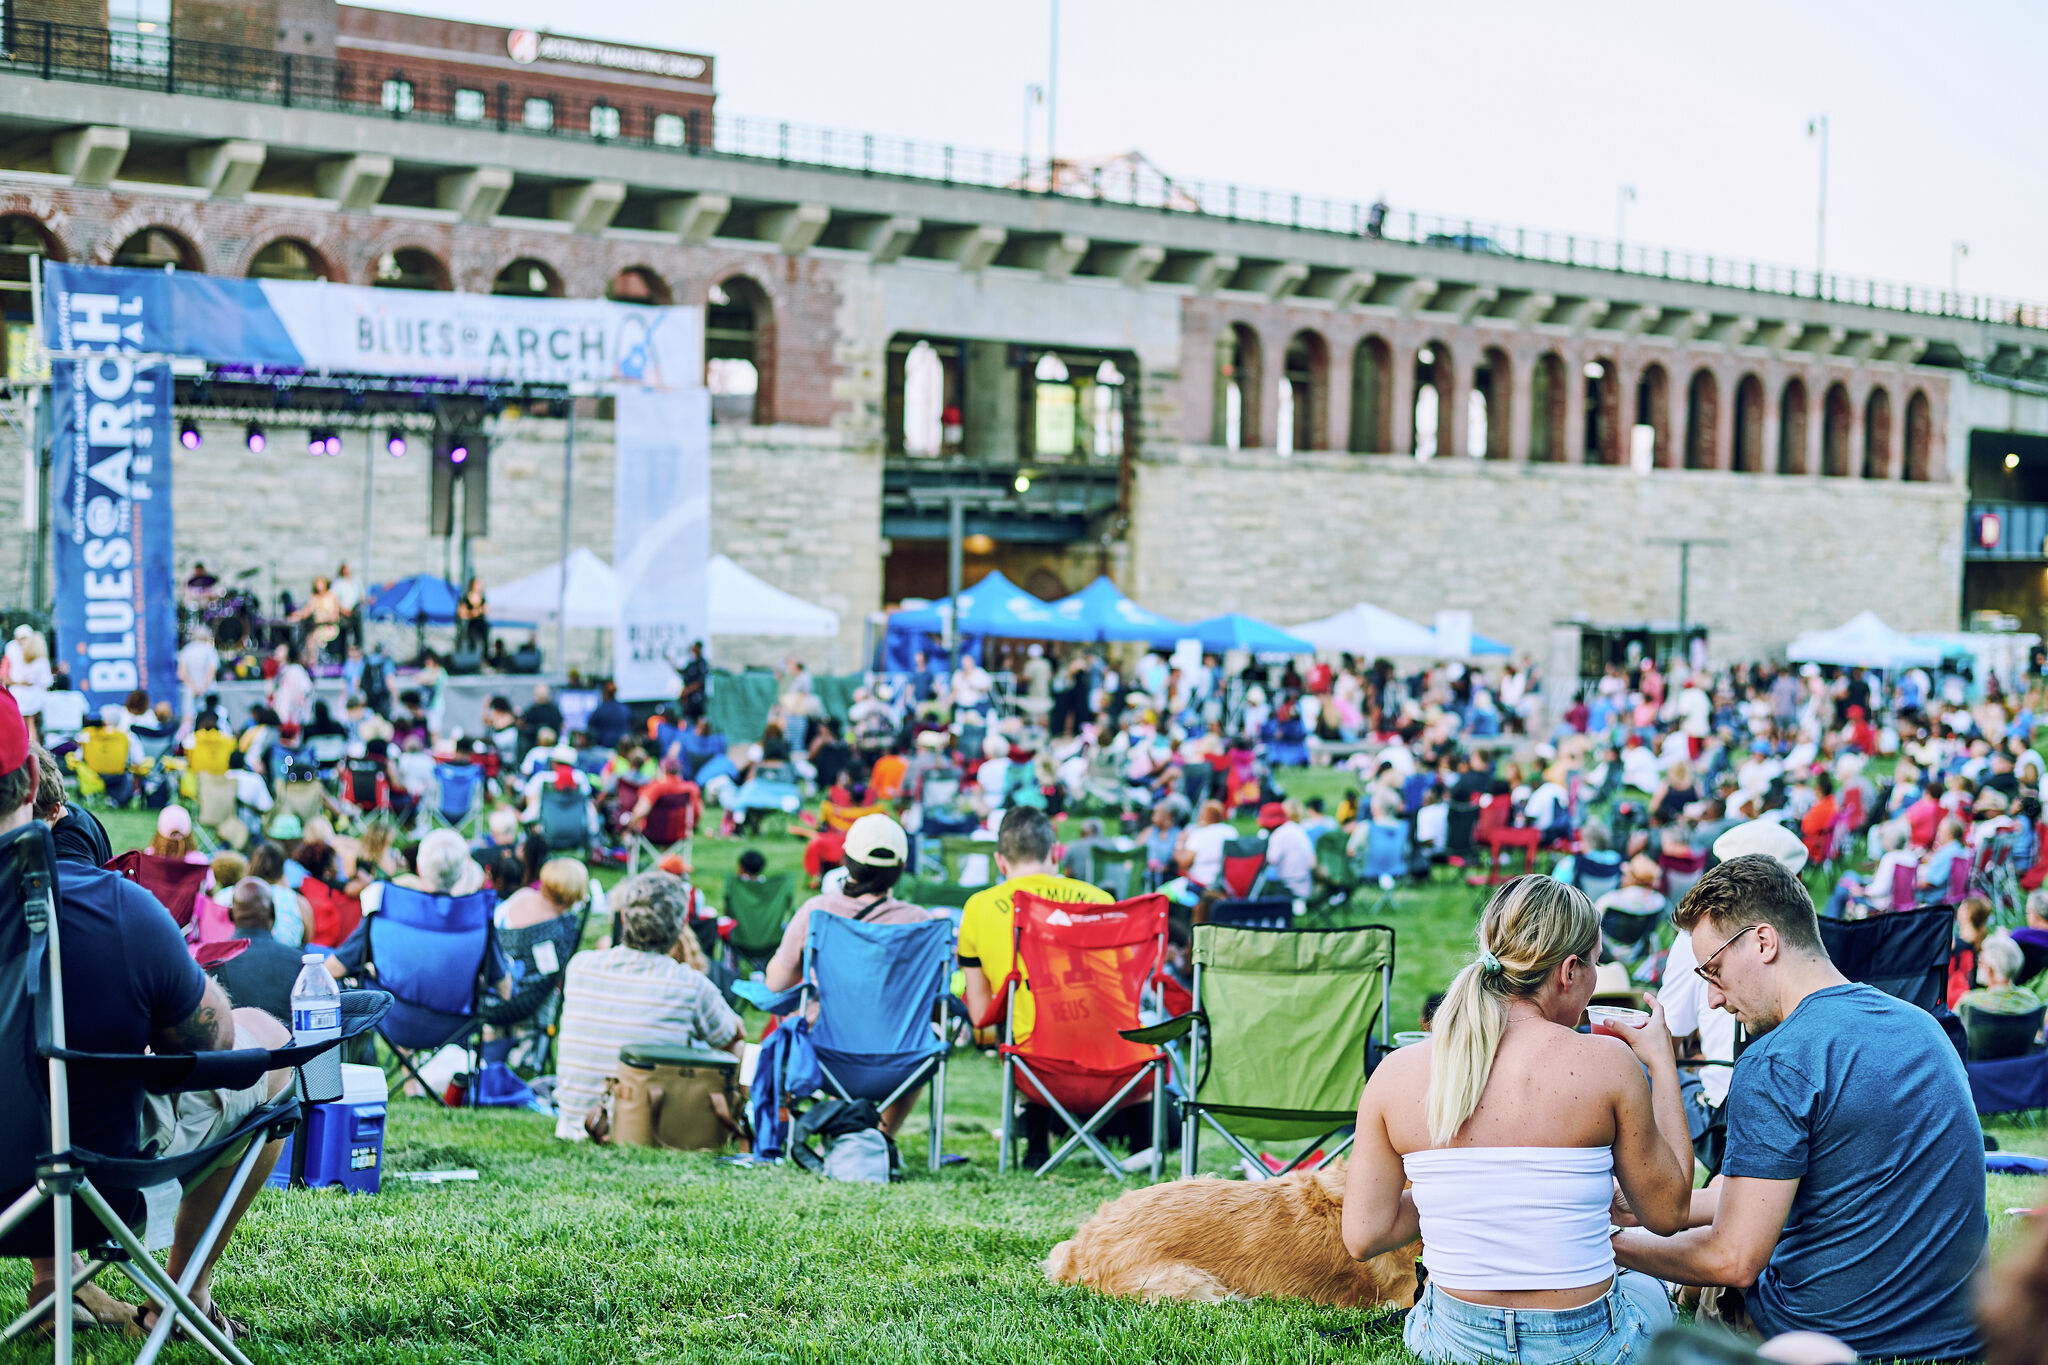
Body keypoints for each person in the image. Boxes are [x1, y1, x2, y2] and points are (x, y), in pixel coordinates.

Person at [0, 688, 294, 1338]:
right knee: (268, 1048)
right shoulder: (119, 908)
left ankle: (58, 1287)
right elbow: (215, 1045)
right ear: (31, 779)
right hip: (91, 1182)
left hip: (11, 1185)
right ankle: (181, 1296)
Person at [1612, 855, 1987, 1361]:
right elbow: (1763, 1196)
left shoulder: (1776, 1059)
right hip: (1958, 1335)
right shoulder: (1925, 1028)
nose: (1715, 1000)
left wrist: (1605, 1246)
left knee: (1698, 1290)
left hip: (1826, 1336)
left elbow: (1733, 1258)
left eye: (1715, 971)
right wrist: (1636, 1212)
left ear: (1764, 942)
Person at [1341, 875, 1693, 1365]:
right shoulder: (1610, 1064)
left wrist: (1465, 1196)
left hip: (1452, 1342)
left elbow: (1365, 1234)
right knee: (1651, 1289)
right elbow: (1668, 1212)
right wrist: (1662, 1065)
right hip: (1588, 1345)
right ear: (1568, 971)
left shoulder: (1396, 1073)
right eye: (1594, 964)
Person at [763, 814, 946, 1134]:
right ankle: (881, 1136)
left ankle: (844, 1133)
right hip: (903, 1058)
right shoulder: (921, 922)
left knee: (807, 1018)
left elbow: (776, 984)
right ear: (901, 867)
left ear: (846, 860)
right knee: (926, 1034)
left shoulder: (817, 912)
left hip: (828, 1055)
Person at [956, 807, 1113, 1168]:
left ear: (1000, 860)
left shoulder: (978, 907)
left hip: (1034, 1066)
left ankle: (1037, 1138)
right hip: (1113, 1062)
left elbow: (980, 1015)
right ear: (1055, 852)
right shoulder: (1101, 901)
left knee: (1021, 1017)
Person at [551, 871, 744, 1141]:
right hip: (647, 1129)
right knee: (736, 1049)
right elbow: (732, 1037)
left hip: (577, 1124)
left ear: (623, 917)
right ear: (680, 927)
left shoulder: (580, 966)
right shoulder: (689, 983)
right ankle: (737, 1122)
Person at [209, 877, 306, 1022]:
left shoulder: (211, 963)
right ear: (272, 912)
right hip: (289, 1043)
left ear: (231, 914)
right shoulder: (300, 963)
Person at [1959, 932, 2044, 1017]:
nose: (1977, 966)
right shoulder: (2032, 1001)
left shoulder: (1970, 1003)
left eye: (1980, 962)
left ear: (1989, 969)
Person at [1260, 800, 1316, 899]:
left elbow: (1270, 860)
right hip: (1306, 883)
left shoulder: (1279, 834)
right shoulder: (1296, 828)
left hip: (1290, 887)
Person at [4, 626, 51, 739]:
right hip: (26, 700)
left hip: (26, 700)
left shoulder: (39, 659)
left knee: (28, 726)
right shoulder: (13, 651)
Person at [1175, 799, 1235, 888]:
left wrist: (1180, 842)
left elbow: (1184, 863)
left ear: (1203, 816)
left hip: (1199, 883)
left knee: (1163, 892)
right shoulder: (1231, 831)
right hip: (1226, 883)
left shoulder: (1199, 834)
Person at [586, 681, 631, 751]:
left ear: (605, 693)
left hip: (605, 749)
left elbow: (590, 726)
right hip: (623, 748)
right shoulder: (624, 708)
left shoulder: (600, 710)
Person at [456, 576, 489, 655]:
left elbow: (486, 609)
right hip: (472, 623)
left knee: (485, 642)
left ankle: (484, 659)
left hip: (481, 622)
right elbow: (461, 613)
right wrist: (471, 613)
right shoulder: (466, 598)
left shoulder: (482, 597)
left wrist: (479, 611)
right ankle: (472, 657)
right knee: (472, 642)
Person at [679, 641, 710, 722]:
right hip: (689, 702)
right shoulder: (691, 664)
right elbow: (682, 672)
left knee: (698, 721)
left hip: (697, 701)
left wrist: (686, 691)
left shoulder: (702, 663)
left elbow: (700, 682)